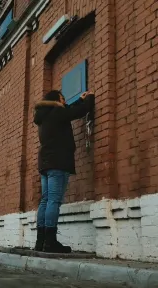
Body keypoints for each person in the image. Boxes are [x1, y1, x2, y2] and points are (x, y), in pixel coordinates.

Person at [33, 90, 95, 253]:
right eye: (63, 98)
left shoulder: (44, 115)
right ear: (56, 100)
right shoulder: (57, 111)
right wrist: (88, 98)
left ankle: (41, 241)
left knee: (45, 200)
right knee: (54, 200)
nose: (65, 101)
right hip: (58, 161)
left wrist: (78, 101)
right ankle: (50, 242)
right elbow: (78, 112)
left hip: (45, 162)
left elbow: (67, 111)